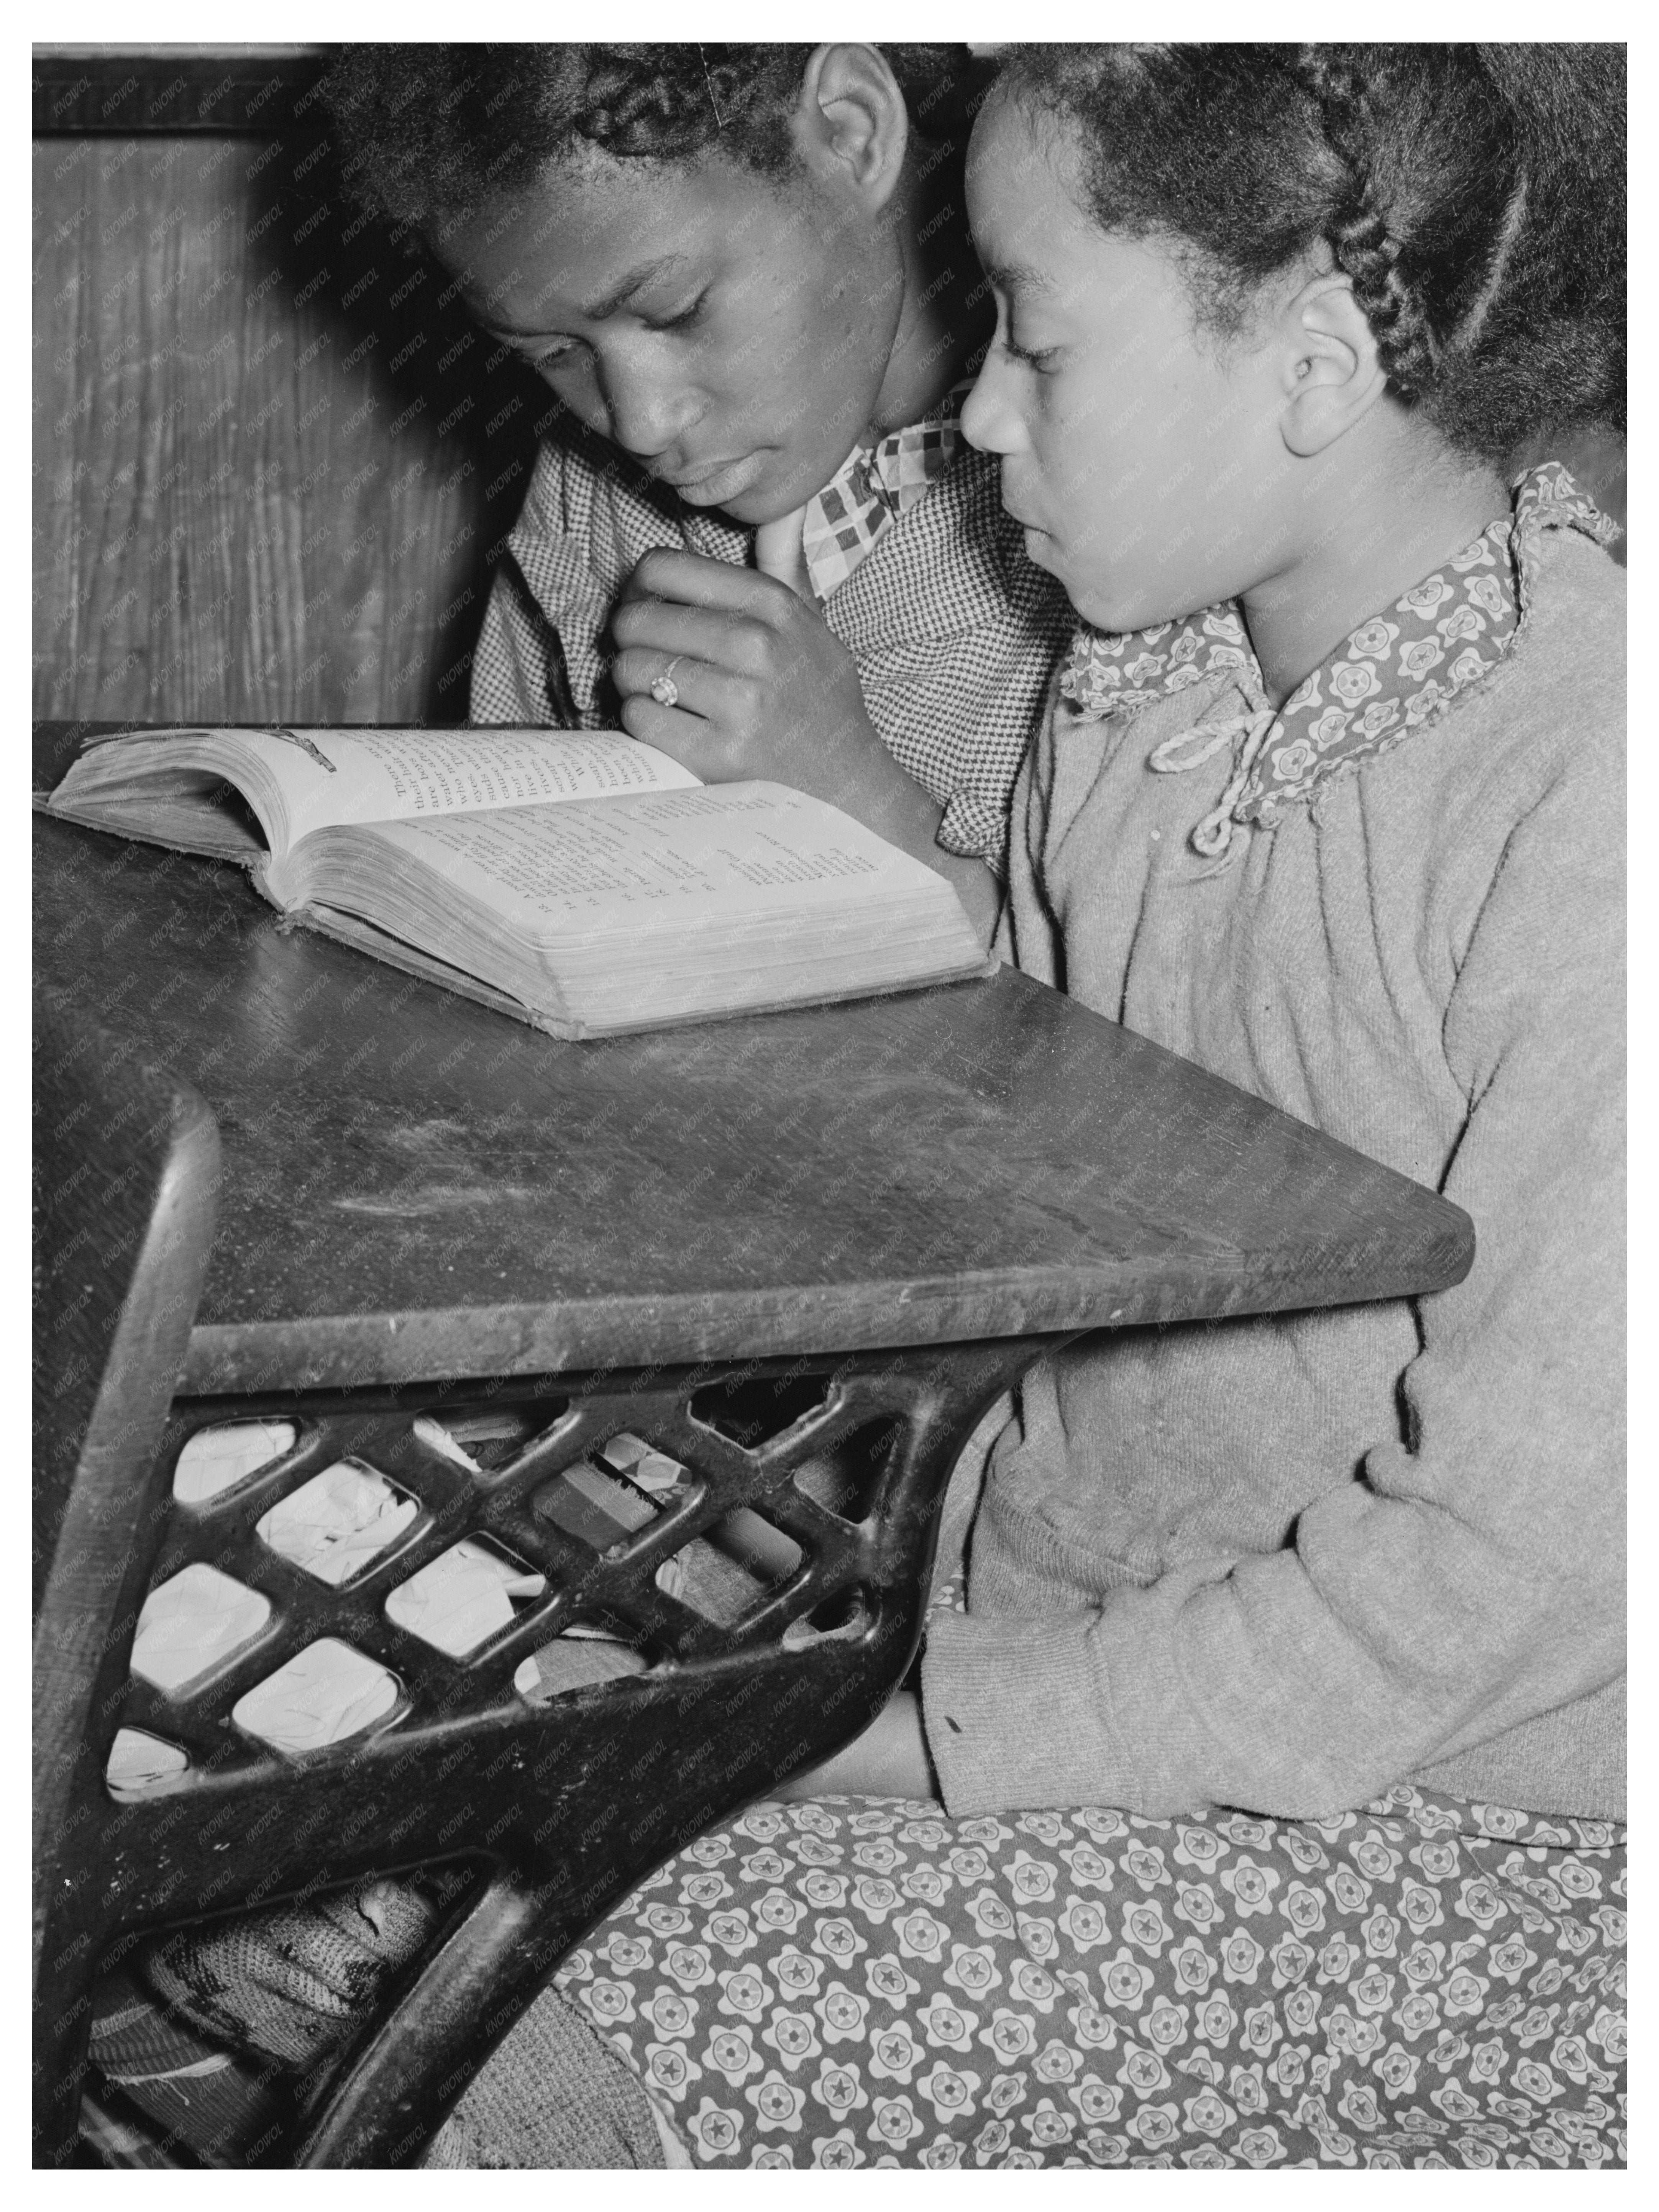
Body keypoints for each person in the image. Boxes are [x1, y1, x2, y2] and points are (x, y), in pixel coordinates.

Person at [119, 43, 1626, 2171]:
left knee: (500, 2053)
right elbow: (1047, 1085)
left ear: (1299, 362)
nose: (981, 410)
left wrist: (868, 1740)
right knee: (359, 1872)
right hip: (1063, 1656)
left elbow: (1496, 1587)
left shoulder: (1585, 783)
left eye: (1030, 328)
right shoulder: (1158, 685)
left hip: (1470, 1830)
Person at [323, 40, 1080, 907]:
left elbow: (1144, 1020)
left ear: (850, 131)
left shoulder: (1115, 510)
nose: (638, 423)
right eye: (556, 354)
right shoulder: (591, 498)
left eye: (675, 311)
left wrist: (857, 804)